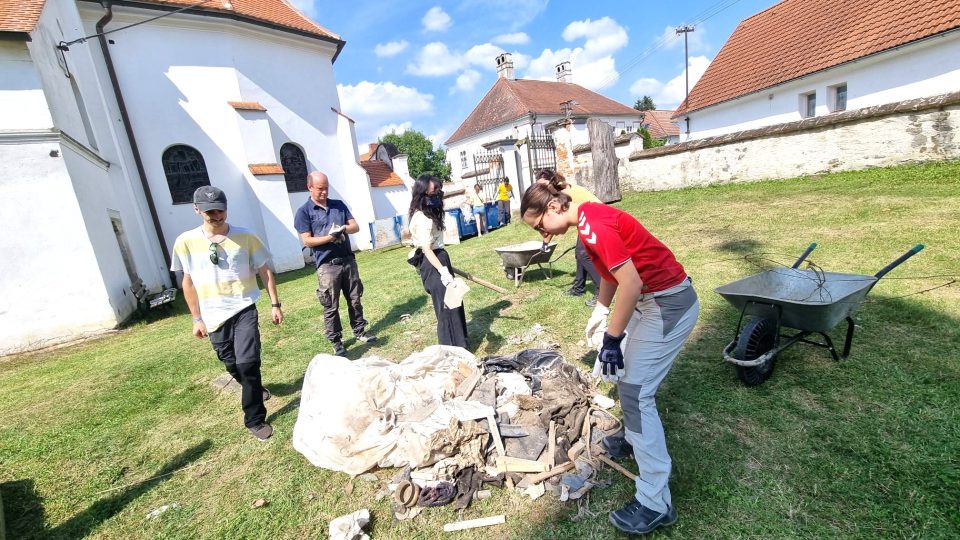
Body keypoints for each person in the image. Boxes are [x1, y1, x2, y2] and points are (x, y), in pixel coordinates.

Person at [519, 183, 699, 535]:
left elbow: (630, 284)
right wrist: (601, 311)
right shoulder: (585, 222)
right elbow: (609, 274)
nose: (542, 234)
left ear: (554, 206)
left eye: (540, 225)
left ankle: (655, 501)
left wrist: (613, 338)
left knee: (634, 392)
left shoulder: (592, 224)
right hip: (652, 300)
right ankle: (633, 439)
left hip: (668, 303)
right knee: (625, 376)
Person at [171, 186, 283, 441]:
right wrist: (196, 318)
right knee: (231, 363)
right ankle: (252, 388)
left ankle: (254, 419)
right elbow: (187, 282)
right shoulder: (185, 242)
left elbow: (265, 271)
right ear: (197, 209)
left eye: (220, 210)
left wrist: (274, 304)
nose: (216, 216)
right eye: (210, 212)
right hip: (212, 315)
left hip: (243, 307)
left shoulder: (246, 237)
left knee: (248, 363)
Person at [294, 171, 377, 357]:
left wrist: (343, 229)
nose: (324, 192)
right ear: (309, 187)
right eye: (320, 189)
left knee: (355, 299)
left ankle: (360, 331)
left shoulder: (338, 205)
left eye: (326, 188)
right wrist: (330, 237)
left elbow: (355, 226)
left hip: (348, 260)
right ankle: (336, 341)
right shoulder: (303, 212)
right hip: (327, 266)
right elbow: (307, 241)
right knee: (331, 306)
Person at [406, 174, 469, 348]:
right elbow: (426, 249)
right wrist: (443, 271)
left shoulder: (428, 213)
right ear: (423, 194)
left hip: (439, 259)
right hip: (434, 263)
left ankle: (461, 344)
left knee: (454, 303)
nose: (438, 195)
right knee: (445, 309)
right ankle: (451, 349)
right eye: (434, 191)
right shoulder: (423, 218)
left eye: (439, 190)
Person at [535, 169, 602, 306]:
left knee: (583, 255)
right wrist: (545, 243)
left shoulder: (561, 194)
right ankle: (578, 288)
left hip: (597, 216)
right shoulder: (560, 190)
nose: (541, 189)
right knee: (580, 254)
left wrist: (545, 243)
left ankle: (602, 290)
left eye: (543, 185)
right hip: (588, 217)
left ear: (551, 181)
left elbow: (554, 222)